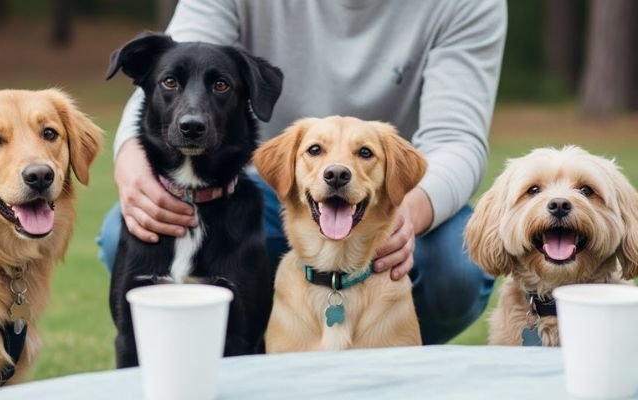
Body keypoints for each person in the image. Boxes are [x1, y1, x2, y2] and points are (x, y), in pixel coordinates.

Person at [97, 0, 507, 345]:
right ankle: (234, 353)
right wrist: (130, 155)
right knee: (129, 231)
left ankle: (384, 355)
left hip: (385, 198)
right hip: (266, 185)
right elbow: (175, 65)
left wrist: (407, 214)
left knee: (456, 266)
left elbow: (456, 139)